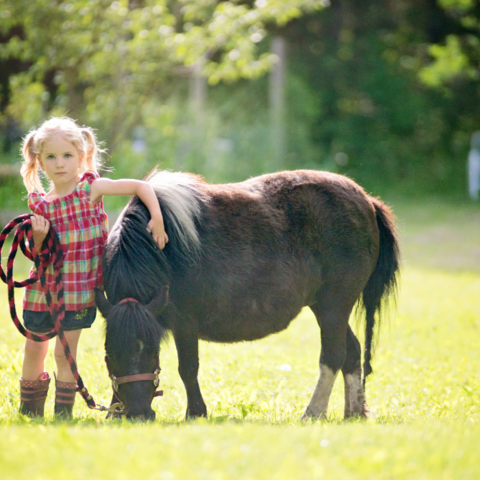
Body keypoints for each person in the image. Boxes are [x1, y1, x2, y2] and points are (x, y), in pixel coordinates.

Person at [18, 116, 168, 419]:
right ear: (40, 162)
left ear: (81, 156)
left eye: (67, 156)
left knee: (64, 353)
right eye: (51, 157)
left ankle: (63, 414)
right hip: (42, 290)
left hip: (79, 292)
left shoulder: (91, 189)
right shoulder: (40, 205)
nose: (60, 164)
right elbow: (39, 255)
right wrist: (37, 236)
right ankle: (30, 411)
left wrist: (157, 217)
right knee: (35, 349)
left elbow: (141, 186)